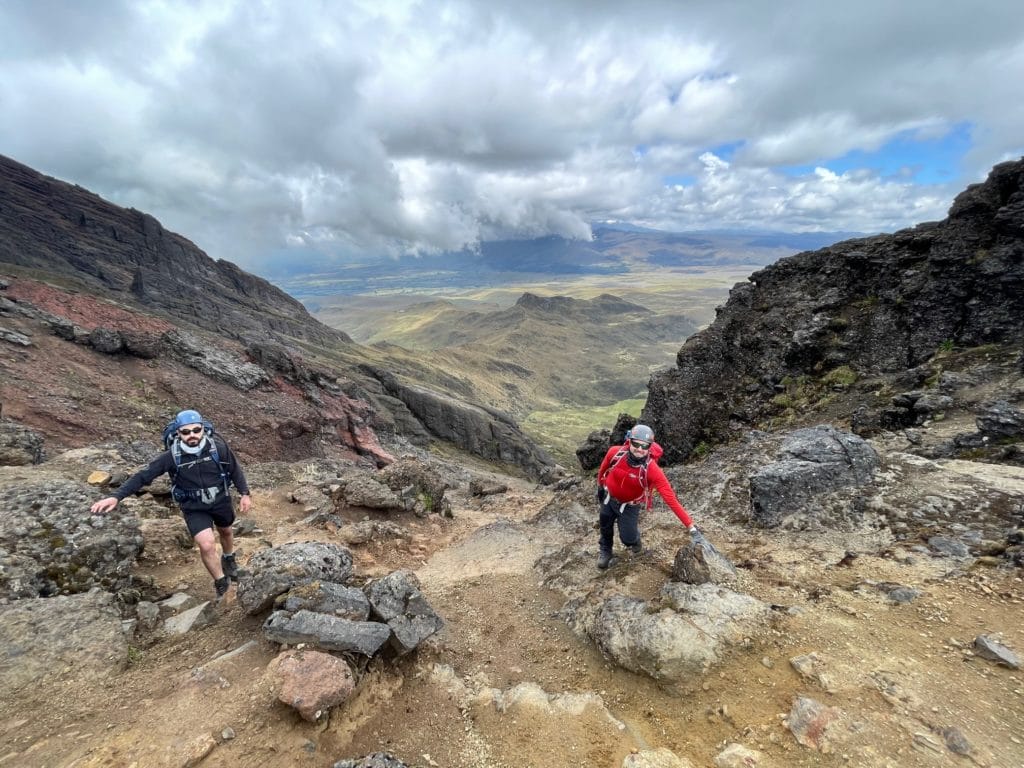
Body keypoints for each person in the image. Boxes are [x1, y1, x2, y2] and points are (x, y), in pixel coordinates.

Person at [91, 409, 252, 598]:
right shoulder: (171, 457)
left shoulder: (218, 448)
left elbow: (234, 470)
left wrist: (244, 493)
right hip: (193, 506)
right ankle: (221, 582)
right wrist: (116, 496)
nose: (192, 435)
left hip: (220, 499)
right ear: (178, 433)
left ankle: (228, 557)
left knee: (226, 531)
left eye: (196, 430)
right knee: (207, 545)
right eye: (186, 432)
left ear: (202, 429)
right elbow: (143, 476)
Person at [595, 424, 705, 569]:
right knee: (605, 525)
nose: (640, 449)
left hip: (629, 506)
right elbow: (603, 469)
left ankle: (635, 542)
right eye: (636, 444)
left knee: (627, 538)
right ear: (629, 441)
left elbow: (671, 499)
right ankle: (605, 550)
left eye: (645, 446)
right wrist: (600, 486)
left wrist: (691, 528)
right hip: (609, 498)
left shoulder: (652, 470)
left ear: (649, 447)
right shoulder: (615, 453)